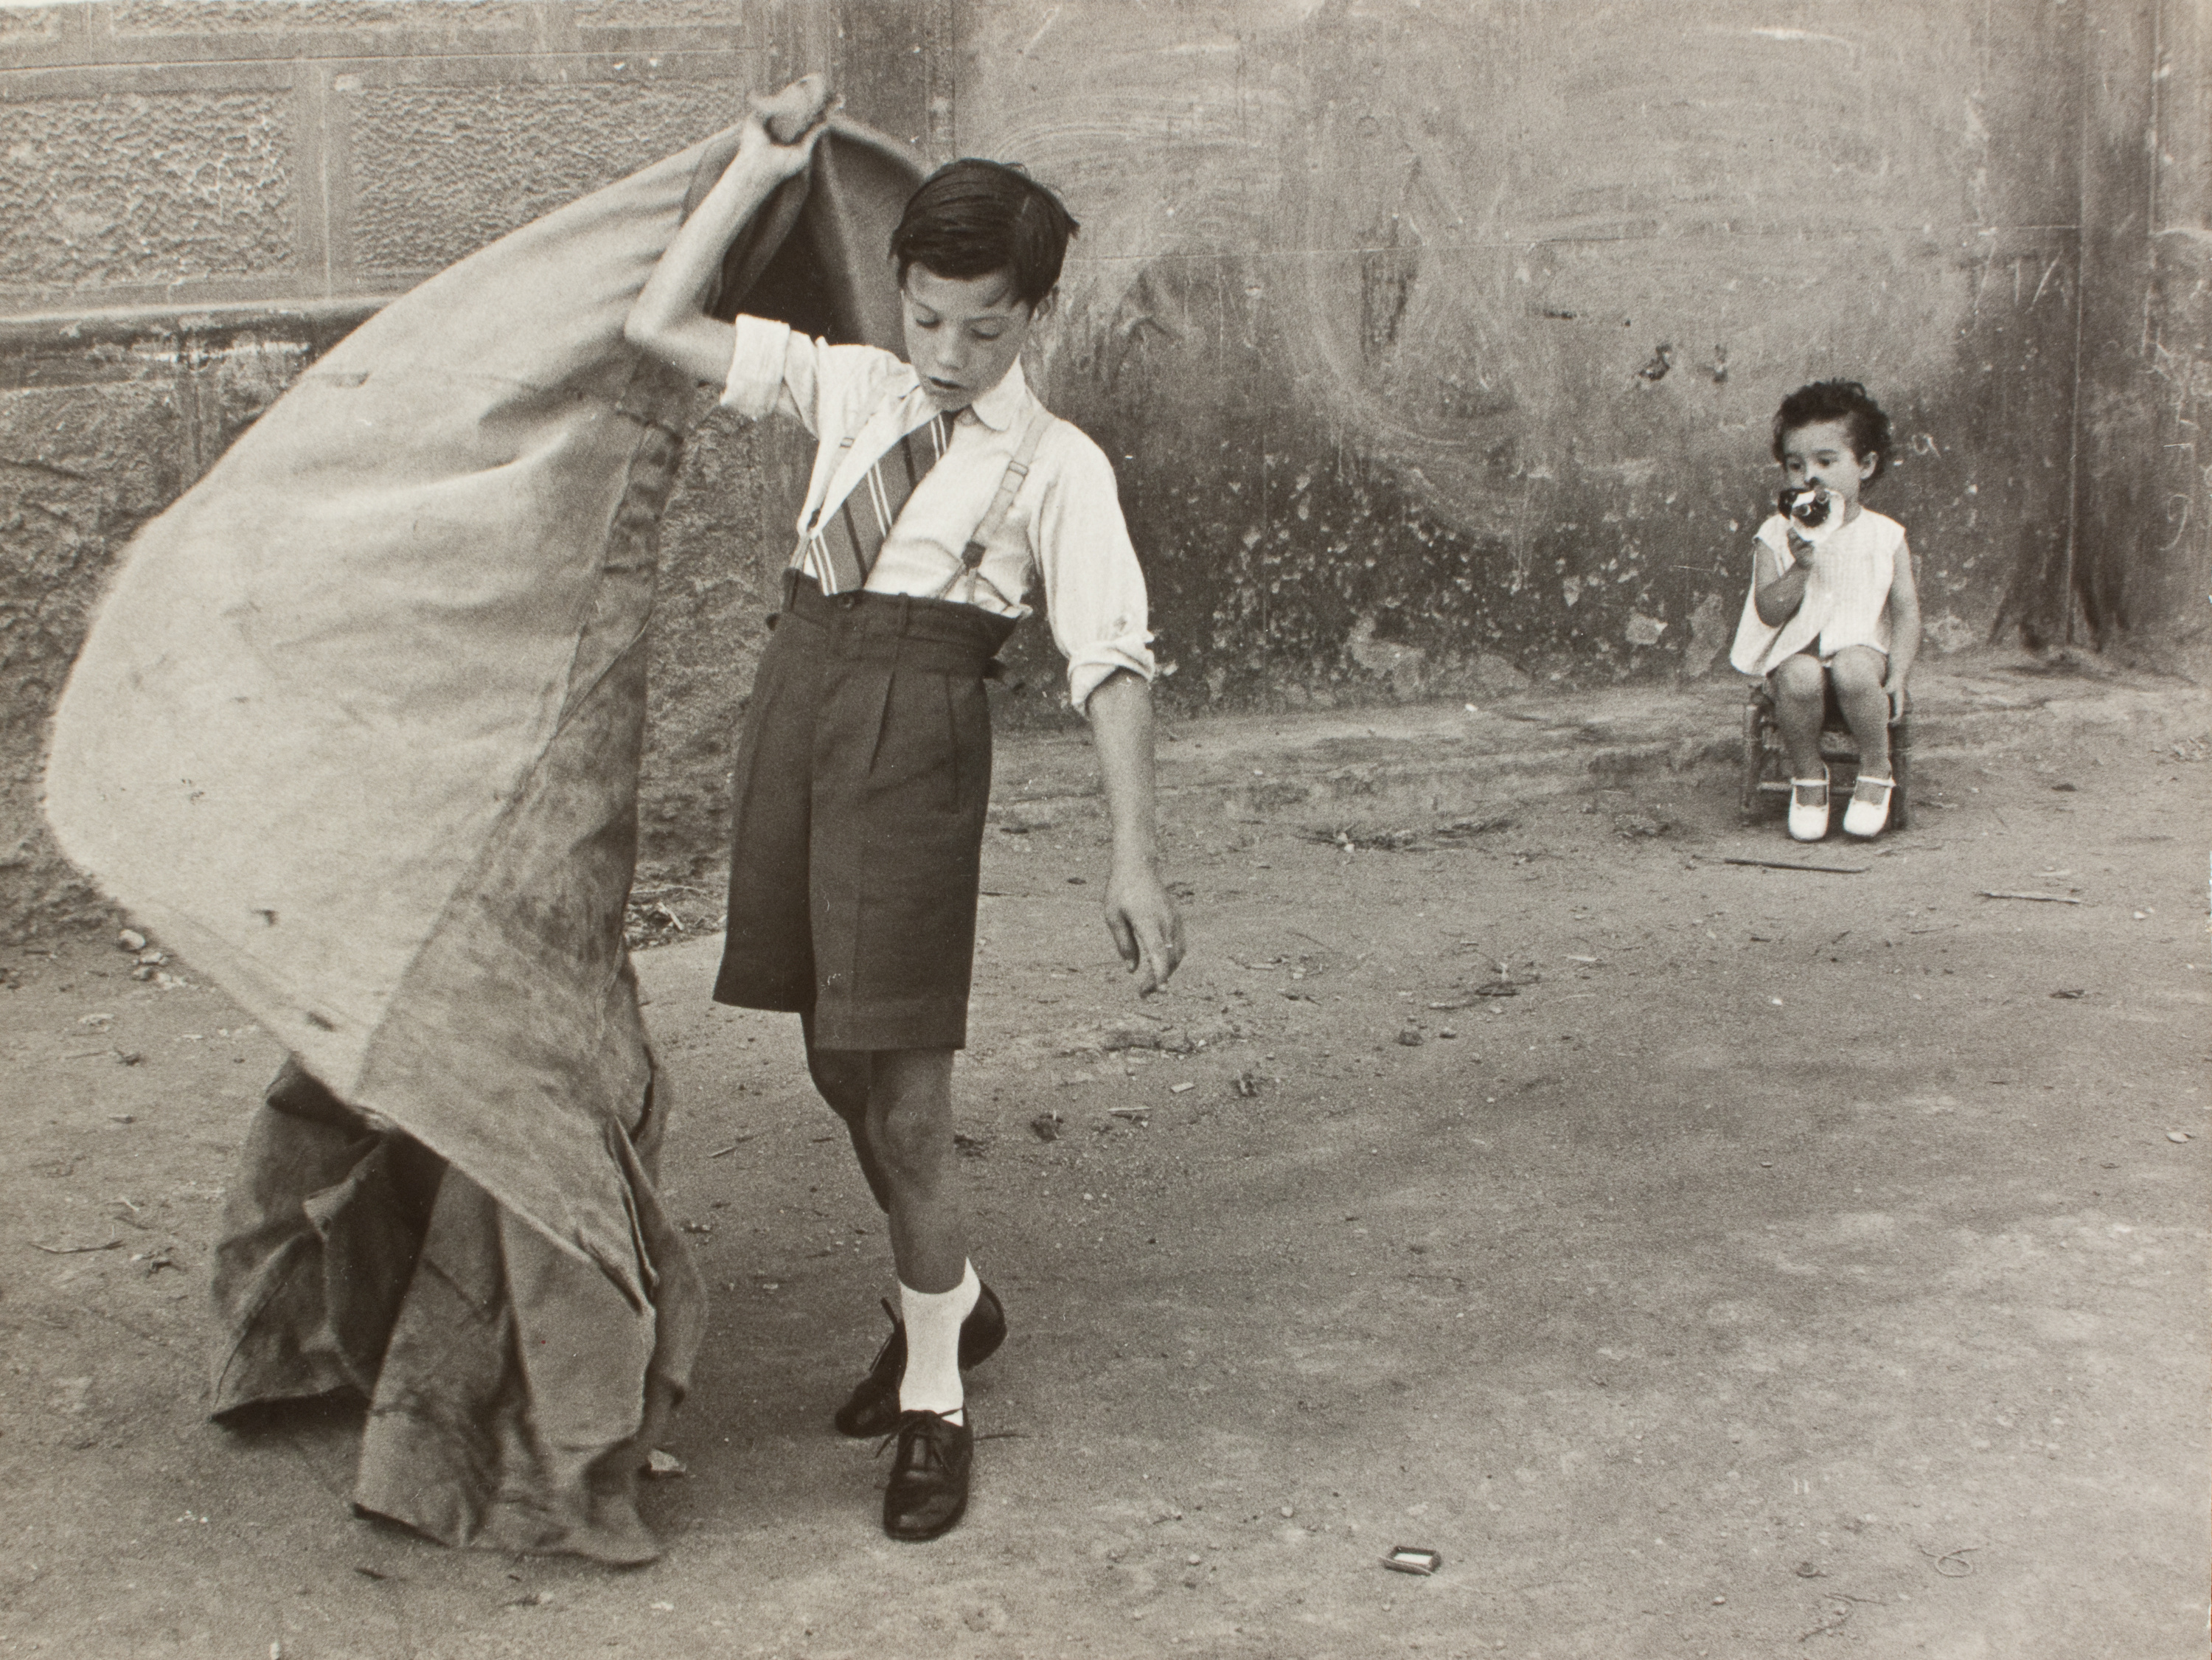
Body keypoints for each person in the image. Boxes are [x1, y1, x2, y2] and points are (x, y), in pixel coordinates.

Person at [625, 89, 1186, 1542]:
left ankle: (937, 1388)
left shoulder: (1057, 468)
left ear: (1033, 317)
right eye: (927, 318)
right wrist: (766, 162)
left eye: (982, 330)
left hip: (918, 739)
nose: (946, 355)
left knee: (911, 1099)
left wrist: (1135, 855)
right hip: (801, 706)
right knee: (835, 1063)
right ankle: (959, 1300)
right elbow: (658, 325)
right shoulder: (855, 386)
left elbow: (1111, 661)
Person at [1729, 379, 1922, 841]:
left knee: (1855, 666)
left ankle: (1876, 769)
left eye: (1826, 461)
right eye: (1796, 465)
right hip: (1801, 659)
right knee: (1797, 674)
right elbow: (1770, 612)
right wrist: (1800, 564)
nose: (1808, 476)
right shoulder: (1776, 534)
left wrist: (1898, 675)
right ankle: (1808, 777)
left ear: (1866, 466)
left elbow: (1907, 612)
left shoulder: (1885, 536)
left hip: (1861, 659)